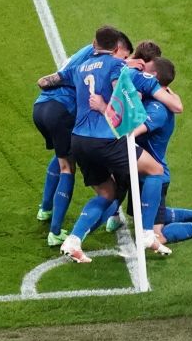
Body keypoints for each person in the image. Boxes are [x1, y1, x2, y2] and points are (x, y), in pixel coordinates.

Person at [37, 32, 182, 263]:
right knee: (155, 170)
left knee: (106, 192)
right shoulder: (122, 69)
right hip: (105, 140)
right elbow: (174, 105)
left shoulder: (81, 66)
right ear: (117, 48)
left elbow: (45, 81)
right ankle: (146, 233)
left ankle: (73, 240)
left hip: (78, 142)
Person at [102, 58, 192, 244]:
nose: (140, 73)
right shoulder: (156, 97)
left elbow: (132, 133)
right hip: (143, 174)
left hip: (154, 177)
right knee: (143, 214)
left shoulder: (158, 110)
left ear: (153, 76)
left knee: (156, 236)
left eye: (145, 71)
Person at [33, 27, 132, 247]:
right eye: (125, 56)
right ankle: (56, 231)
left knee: (62, 156)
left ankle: (45, 209)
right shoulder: (111, 63)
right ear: (117, 49)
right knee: (68, 167)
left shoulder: (84, 58)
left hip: (40, 107)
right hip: (63, 111)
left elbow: (43, 81)